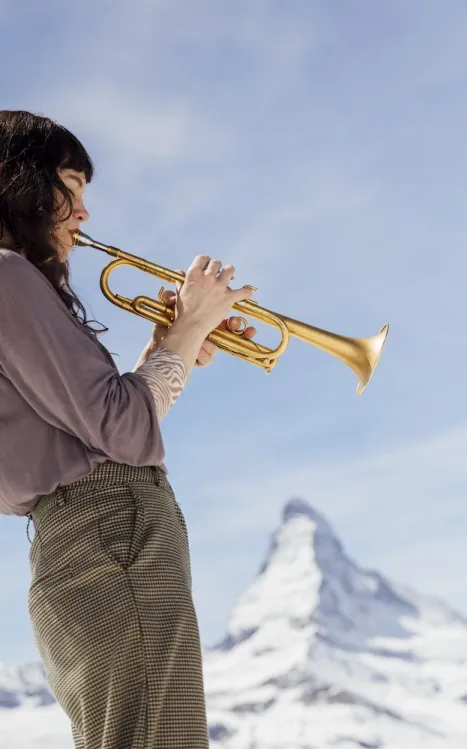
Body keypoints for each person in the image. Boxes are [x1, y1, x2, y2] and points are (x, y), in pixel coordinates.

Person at [0, 110, 256, 749]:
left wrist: (175, 342)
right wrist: (190, 325)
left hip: (78, 543)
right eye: (72, 186)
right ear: (21, 185)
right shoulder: (7, 277)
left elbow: (107, 421)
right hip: (114, 534)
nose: (83, 214)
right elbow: (124, 428)